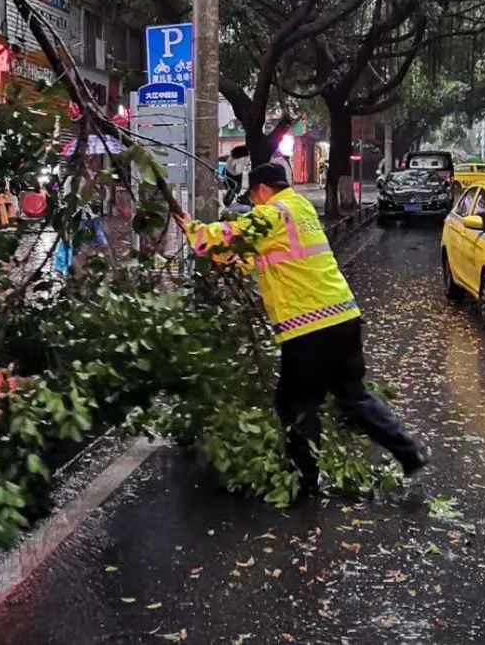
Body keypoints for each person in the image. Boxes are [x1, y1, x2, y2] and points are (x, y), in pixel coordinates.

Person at [178, 163, 428, 496]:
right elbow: (250, 255)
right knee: (352, 394)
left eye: (254, 198)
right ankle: (409, 452)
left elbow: (233, 233)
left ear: (263, 190)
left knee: (294, 403)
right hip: (343, 317)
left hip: (310, 326)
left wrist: (194, 230)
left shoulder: (274, 212)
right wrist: (223, 258)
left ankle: (302, 478)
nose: (254, 204)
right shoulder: (301, 208)